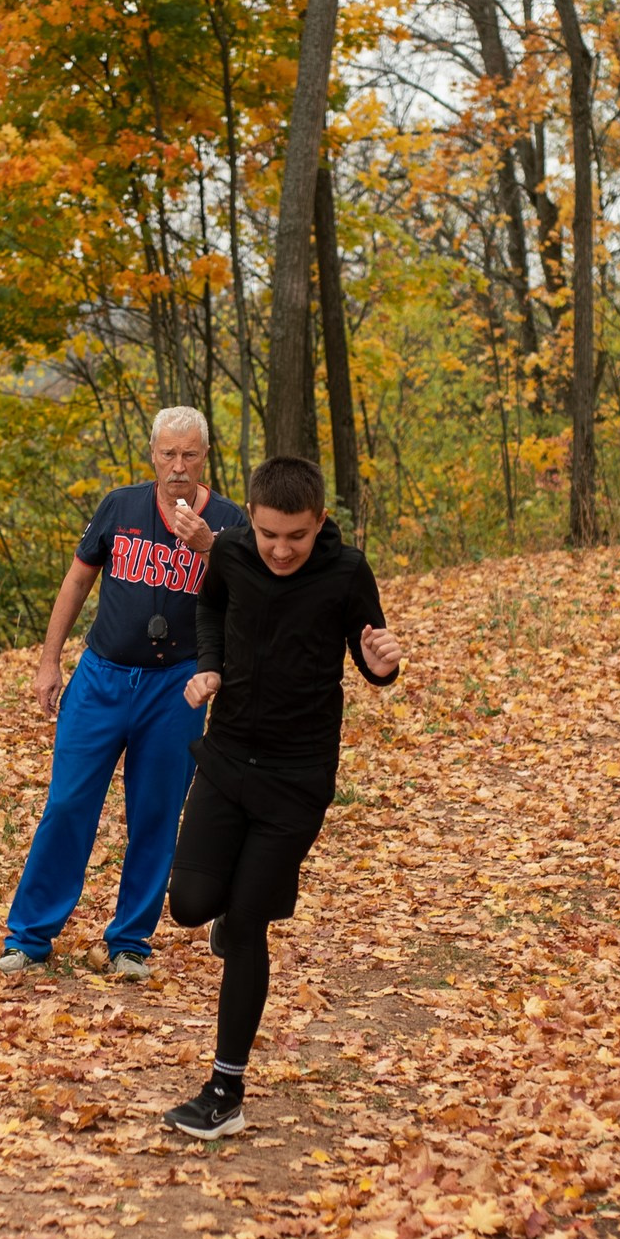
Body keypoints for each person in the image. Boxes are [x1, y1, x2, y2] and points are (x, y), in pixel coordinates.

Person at [160, 454, 401, 1139]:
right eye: (269, 533)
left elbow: (369, 649)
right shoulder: (232, 549)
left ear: (319, 521)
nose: (281, 548)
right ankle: (230, 919)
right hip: (228, 754)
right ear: (253, 522)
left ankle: (224, 1090)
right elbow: (210, 602)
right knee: (191, 905)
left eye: (296, 534)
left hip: (296, 778)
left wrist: (382, 668)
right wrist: (209, 667)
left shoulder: (347, 570)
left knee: (250, 925)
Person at [0, 407, 242, 980]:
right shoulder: (119, 506)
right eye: (168, 454)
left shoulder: (230, 521)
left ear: (206, 456)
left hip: (175, 688)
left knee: (155, 816)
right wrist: (50, 660)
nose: (178, 466)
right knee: (67, 805)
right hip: (102, 677)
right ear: (152, 454)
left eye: (190, 455)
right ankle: (29, 938)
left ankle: (129, 942)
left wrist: (209, 546)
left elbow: (249, 600)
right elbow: (79, 578)